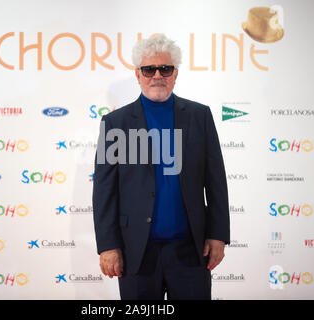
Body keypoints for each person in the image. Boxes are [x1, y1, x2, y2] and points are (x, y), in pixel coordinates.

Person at [92, 34, 230, 300]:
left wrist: (218, 234)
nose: (157, 75)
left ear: (175, 73)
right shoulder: (114, 123)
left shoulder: (200, 116)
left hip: (191, 250)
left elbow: (216, 181)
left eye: (165, 69)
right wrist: (108, 246)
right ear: (137, 74)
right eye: (149, 69)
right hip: (136, 253)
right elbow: (104, 191)